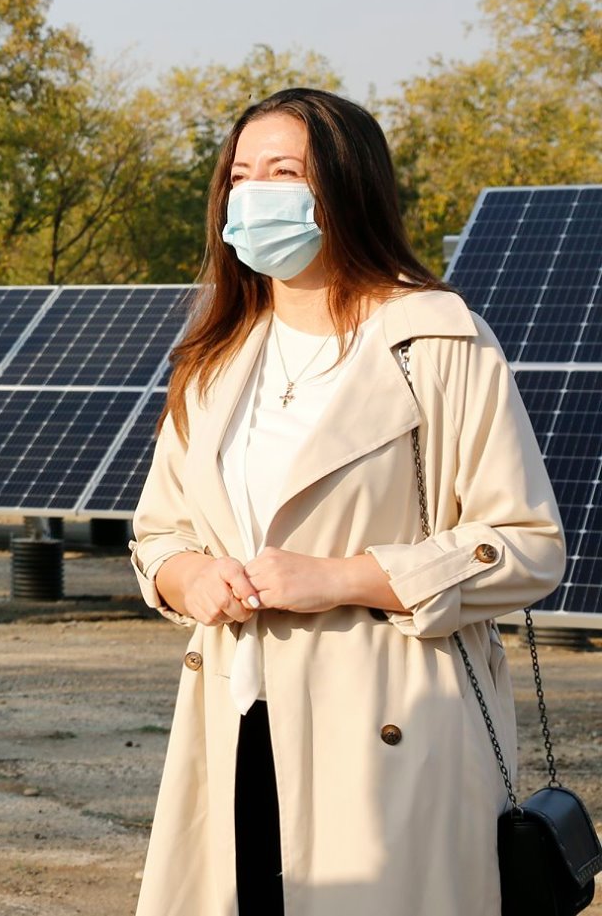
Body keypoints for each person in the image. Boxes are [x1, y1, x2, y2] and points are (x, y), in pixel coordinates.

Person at [130, 87, 566, 915]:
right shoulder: (213, 357)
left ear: (346, 185)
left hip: (390, 733)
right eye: (239, 175)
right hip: (233, 720)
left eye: (283, 171)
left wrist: (340, 576)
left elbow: (530, 544)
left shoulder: (436, 339)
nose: (254, 194)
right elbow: (159, 532)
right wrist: (189, 577)